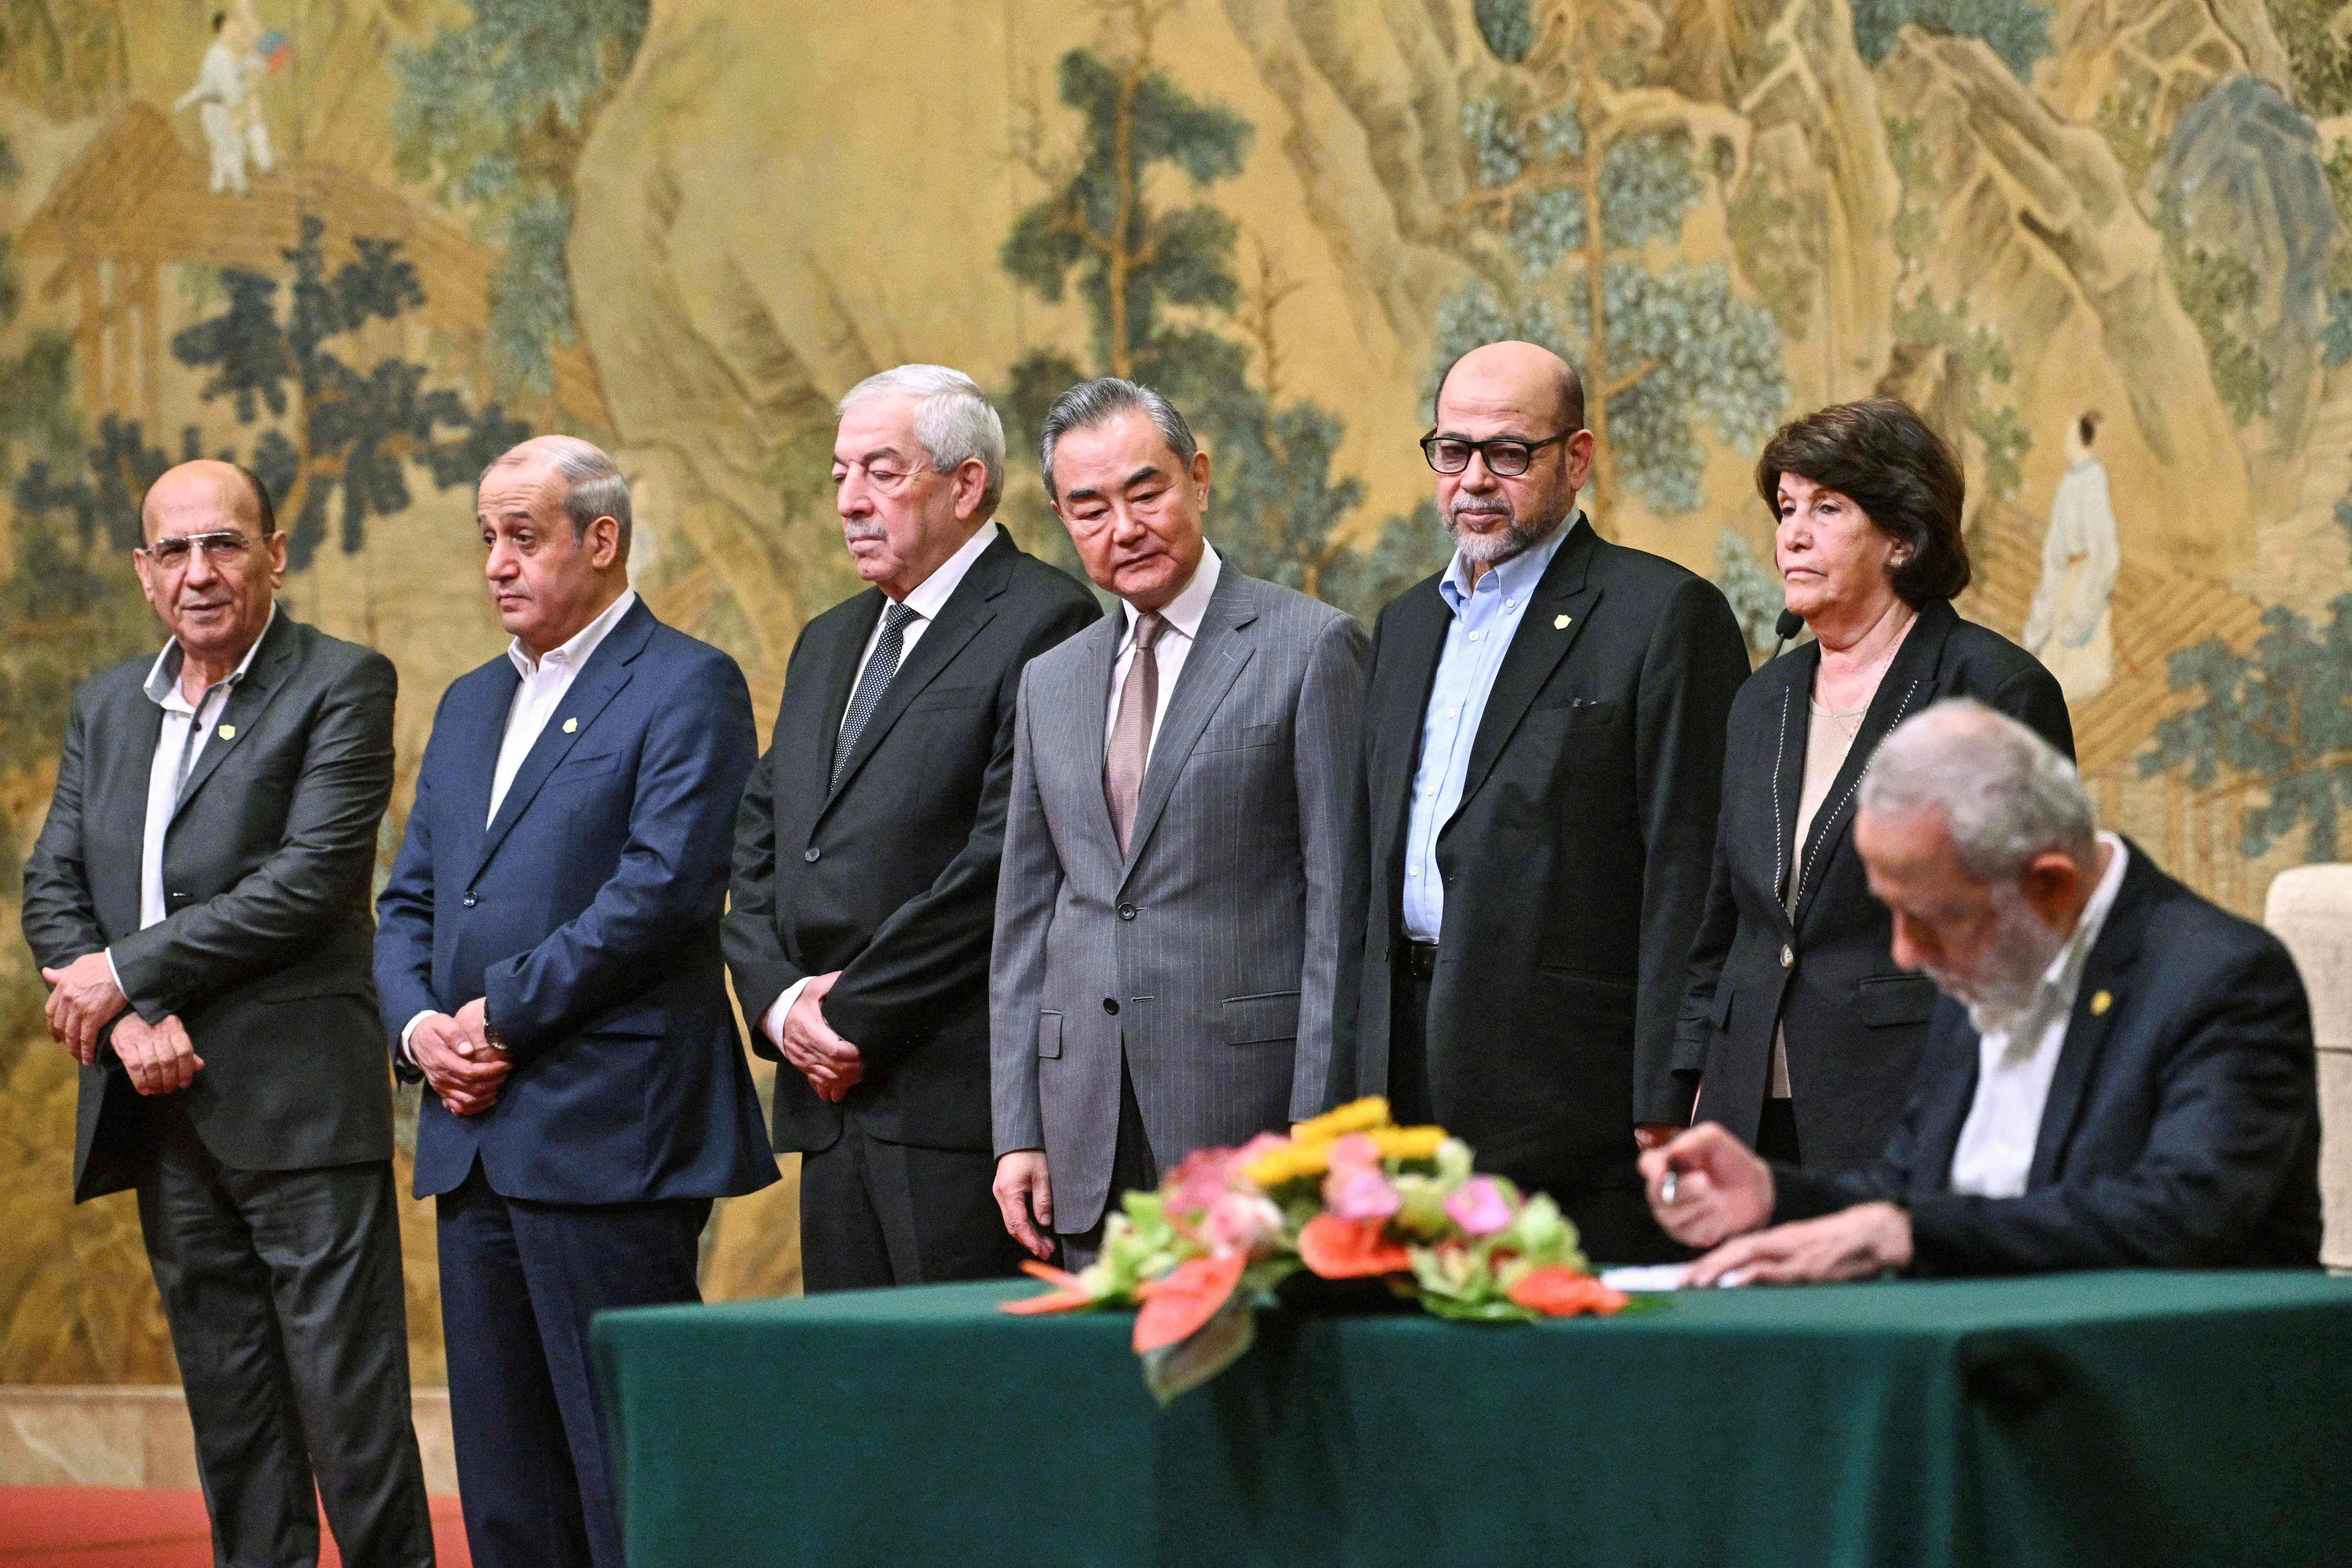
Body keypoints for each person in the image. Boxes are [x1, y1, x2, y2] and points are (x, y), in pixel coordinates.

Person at [22, 461, 432, 1567]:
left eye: (225, 545)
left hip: (299, 1110)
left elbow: (308, 883)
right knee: (235, 1423)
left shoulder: (344, 683)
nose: (199, 573)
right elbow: (52, 889)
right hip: (159, 1106)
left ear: (275, 554)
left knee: (353, 1421)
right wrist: (118, 1017)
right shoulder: (109, 705)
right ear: (143, 572)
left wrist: (126, 975)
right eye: (174, 551)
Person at [375, 435, 776, 1568]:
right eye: (487, 540)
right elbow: (407, 900)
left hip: (611, 1132)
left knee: (624, 1474)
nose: (497, 564)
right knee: (507, 1485)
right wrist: (419, 1028)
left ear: (602, 541)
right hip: (472, 1134)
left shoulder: (687, 682)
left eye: (524, 536)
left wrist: (492, 1020)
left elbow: (662, 894)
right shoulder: (467, 703)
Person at [1644, 700, 2322, 1282]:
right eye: (1893, 915)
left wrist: (1911, 1234)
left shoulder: (2221, 979)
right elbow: (1914, 1190)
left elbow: (2183, 1218)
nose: (1907, 953)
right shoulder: (1993, 952)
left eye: (1931, 921)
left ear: (2050, 885)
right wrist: (1774, 1196)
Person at [1338, 340, 1750, 1262]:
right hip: (1402, 1075)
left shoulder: (1662, 616)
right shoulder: (1405, 624)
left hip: (1573, 1098)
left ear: (1577, 457)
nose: (1475, 480)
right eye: (1453, 451)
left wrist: (1666, 1093)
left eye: (1509, 453)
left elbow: (1690, 876)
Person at [726, 366, 1098, 1290]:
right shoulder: (828, 640)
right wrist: (780, 1008)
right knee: (856, 1402)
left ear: (966, 484)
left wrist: (848, 1018)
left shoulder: (1047, 620)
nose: (850, 501)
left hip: (954, 1103)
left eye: (881, 473)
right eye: (840, 475)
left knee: (962, 1412)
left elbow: (1005, 860)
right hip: (828, 1100)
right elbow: (764, 839)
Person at [990, 378, 1368, 1267]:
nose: (1123, 527)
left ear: (1198, 479)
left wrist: (1319, 1132)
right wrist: (1018, 1127)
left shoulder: (1313, 648)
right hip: (1082, 1120)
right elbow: (1024, 924)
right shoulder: (1053, 680)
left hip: (1247, 1117)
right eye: (1089, 509)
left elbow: (1338, 913)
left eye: (1145, 491)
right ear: (1061, 518)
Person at [1675, 400, 2073, 1173]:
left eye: (1827, 508)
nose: (1792, 533)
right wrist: (1688, 1079)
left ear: (1902, 536)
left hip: (1907, 1098)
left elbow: (2030, 935)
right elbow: (1723, 923)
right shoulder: (1763, 699)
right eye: (1786, 507)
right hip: (1743, 1104)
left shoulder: (1990, 690)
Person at [2022, 411, 2121, 703]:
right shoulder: (2070, 479)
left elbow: (2101, 539)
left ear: (2079, 440)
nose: (2065, 444)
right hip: (2067, 573)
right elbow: (2058, 535)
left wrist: (2093, 576)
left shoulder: (2093, 477)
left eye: (2069, 437)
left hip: (2083, 574)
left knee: (2077, 648)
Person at [173, 10, 274, 196]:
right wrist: (248, 87)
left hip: (218, 107)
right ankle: (237, 187)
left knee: (224, 147)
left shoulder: (226, 53)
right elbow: (228, 90)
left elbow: (245, 64)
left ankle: (221, 186)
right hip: (216, 109)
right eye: (230, 28)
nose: (234, 31)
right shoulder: (218, 56)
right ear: (221, 31)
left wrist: (260, 65)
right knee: (229, 146)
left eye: (234, 27)